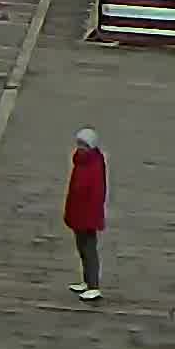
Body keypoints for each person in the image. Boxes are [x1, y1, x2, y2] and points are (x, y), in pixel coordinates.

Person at [64, 129, 109, 300]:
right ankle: (86, 281)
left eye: (84, 145)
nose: (80, 147)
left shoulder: (94, 164)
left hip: (88, 215)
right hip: (78, 211)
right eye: (79, 144)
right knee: (82, 248)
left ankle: (93, 285)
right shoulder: (81, 161)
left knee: (89, 250)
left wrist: (93, 216)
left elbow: (97, 193)